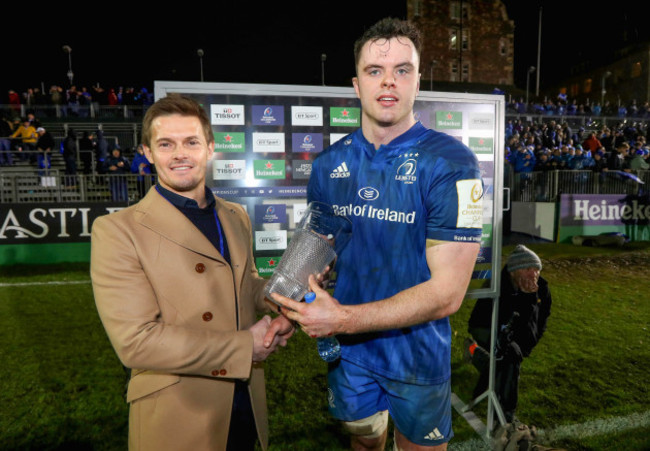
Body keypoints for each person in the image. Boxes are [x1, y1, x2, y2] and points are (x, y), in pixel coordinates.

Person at [272, 18, 483, 450]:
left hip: (418, 357)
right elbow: (317, 252)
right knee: (364, 444)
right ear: (356, 84)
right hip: (349, 357)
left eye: (402, 70)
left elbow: (447, 294)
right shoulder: (329, 164)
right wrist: (291, 290)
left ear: (418, 81)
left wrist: (342, 319)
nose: (389, 82)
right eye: (375, 71)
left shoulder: (453, 163)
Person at [90, 93, 294, 450]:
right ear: (148, 153)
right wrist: (246, 346)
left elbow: (245, 286)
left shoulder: (236, 216)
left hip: (244, 403)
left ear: (211, 148)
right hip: (179, 415)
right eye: (166, 144)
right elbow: (136, 342)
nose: (180, 154)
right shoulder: (118, 230)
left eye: (191, 142)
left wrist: (284, 293)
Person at [464, 245, 551, 425]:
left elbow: (538, 325)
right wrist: (525, 300)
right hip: (485, 326)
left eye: (536, 269)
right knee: (509, 356)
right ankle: (506, 414)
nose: (534, 274)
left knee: (506, 360)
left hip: (512, 334)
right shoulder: (497, 284)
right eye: (528, 269)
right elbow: (499, 323)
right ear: (513, 272)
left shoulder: (541, 289)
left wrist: (530, 300)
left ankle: (474, 352)